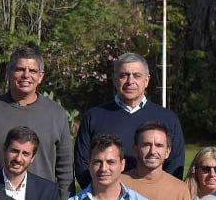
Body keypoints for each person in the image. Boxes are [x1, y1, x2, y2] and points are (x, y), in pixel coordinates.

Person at [0, 46, 76, 199]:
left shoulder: (56, 114)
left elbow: (65, 170)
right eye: (20, 69)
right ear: (9, 73)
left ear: (41, 76)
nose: (26, 75)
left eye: (33, 71)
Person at [72, 53, 185, 187]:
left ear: (147, 80)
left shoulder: (168, 118)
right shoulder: (94, 117)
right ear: (114, 79)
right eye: (123, 75)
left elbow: (175, 164)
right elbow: (82, 164)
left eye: (137, 75)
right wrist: (104, 196)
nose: (130, 81)